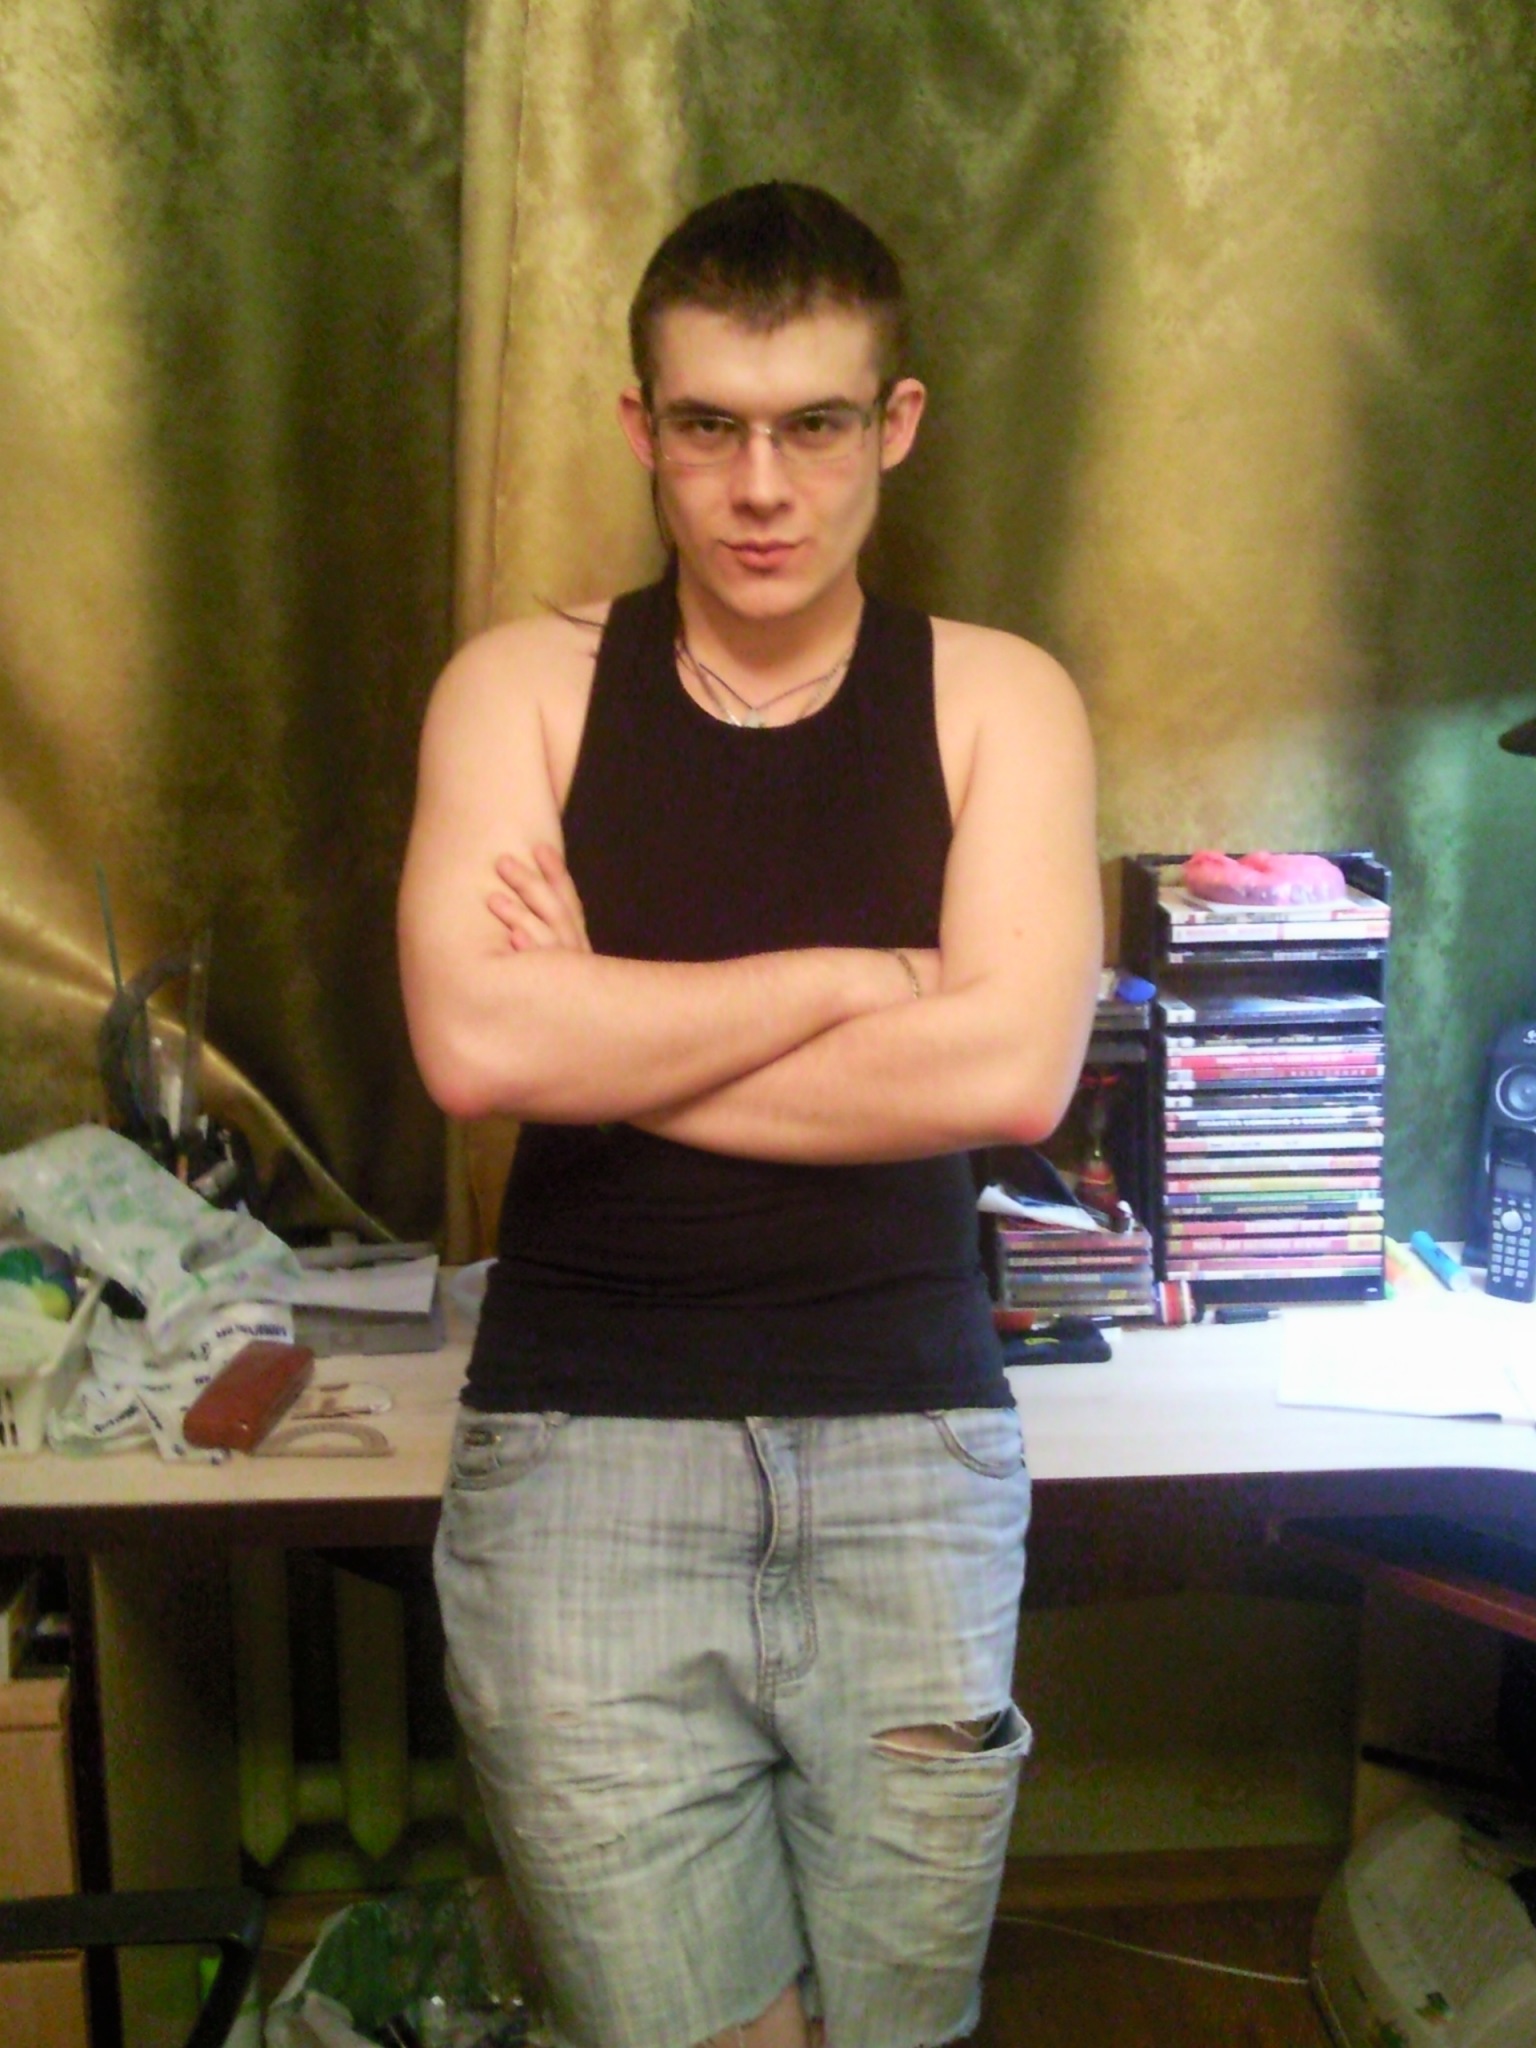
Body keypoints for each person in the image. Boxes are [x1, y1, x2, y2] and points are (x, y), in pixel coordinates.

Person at [397, 181, 1100, 2048]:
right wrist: (861, 979)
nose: (761, 488)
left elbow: (1007, 1077)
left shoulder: (1001, 701)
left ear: (897, 424)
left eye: (814, 426)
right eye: (710, 427)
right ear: (644, 429)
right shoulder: (520, 690)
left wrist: (611, 1021)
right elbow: (477, 1047)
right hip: (582, 1460)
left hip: (909, 1455)